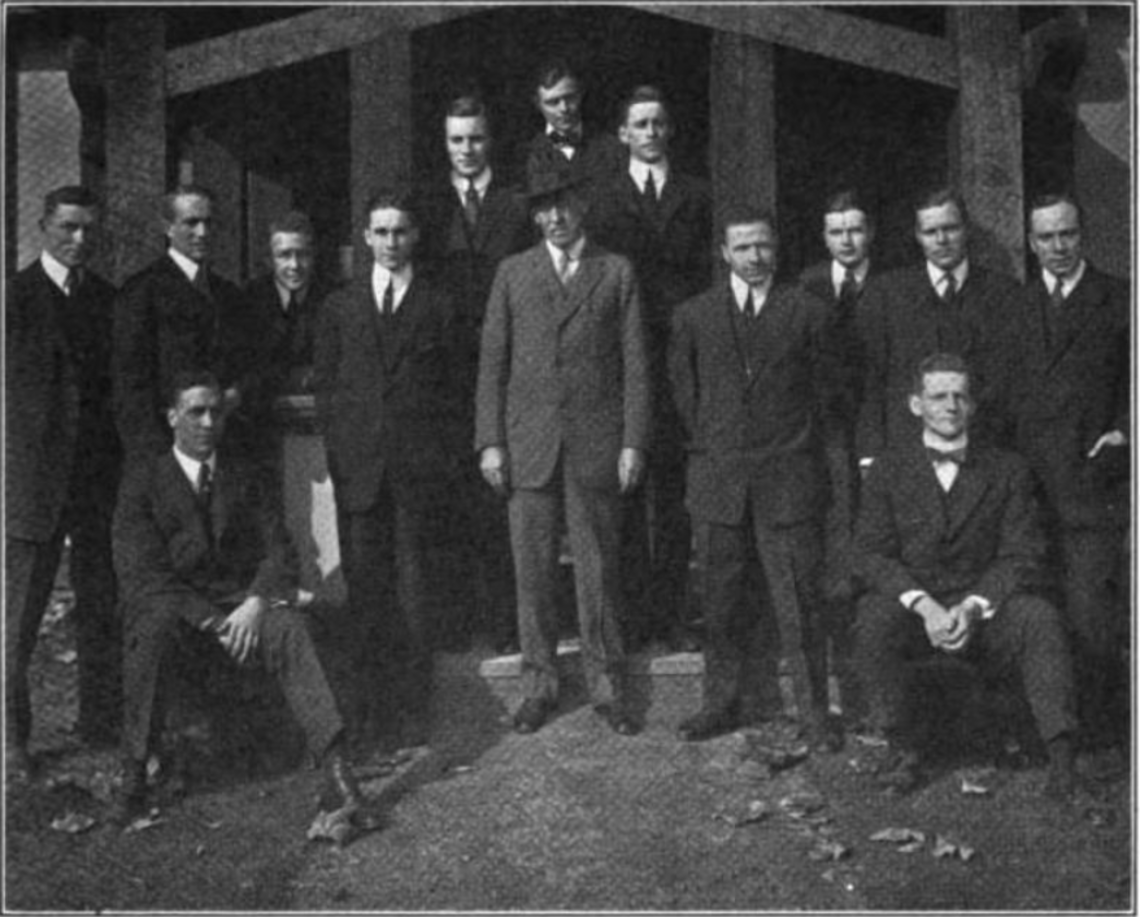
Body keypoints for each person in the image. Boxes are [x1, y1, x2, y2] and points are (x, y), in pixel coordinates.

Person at [112, 371, 378, 833]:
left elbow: (279, 551)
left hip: (243, 607)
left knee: (291, 631)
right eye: (196, 411)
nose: (208, 421)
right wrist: (215, 623)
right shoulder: (143, 482)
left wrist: (256, 602)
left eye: (216, 411)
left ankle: (337, 773)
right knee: (150, 629)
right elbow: (145, 576)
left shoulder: (244, 474)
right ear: (172, 416)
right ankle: (134, 774)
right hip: (179, 614)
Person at [854, 353, 1078, 797]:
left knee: (1039, 619)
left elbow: (1023, 553)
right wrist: (924, 606)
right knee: (873, 618)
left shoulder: (1008, 469)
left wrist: (973, 607)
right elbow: (870, 555)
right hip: (918, 614)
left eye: (960, 396)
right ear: (916, 404)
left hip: (985, 610)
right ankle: (903, 750)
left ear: (973, 406)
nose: (951, 406)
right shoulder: (887, 469)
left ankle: (1062, 758)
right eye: (939, 396)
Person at [475, 168, 650, 736]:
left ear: (583, 206)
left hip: (595, 443)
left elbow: (635, 366)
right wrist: (490, 442)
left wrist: (633, 441)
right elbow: (492, 365)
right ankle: (539, 684)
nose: (554, 217)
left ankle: (606, 684)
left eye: (563, 205)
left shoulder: (615, 271)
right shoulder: (513, 273)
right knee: (533, 574)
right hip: (528, 444)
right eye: (543, 208)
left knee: (599, 570)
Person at [668, 207, 835, 750]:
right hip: (719, 482)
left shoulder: (807, 313)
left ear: (777, 248)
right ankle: (719, 704)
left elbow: (826, 396)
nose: (754, 257)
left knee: (798, 604)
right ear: (724, 253)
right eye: (742, 248)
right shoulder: (694, 316)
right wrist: (720, 447)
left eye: (762, 246)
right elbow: (685, 397)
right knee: (719, 606)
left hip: (787, 481)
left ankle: (814, 716)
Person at [313, 188, 458, 750]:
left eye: (401, 231)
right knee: (366, 596)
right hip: (361, 476)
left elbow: (452, 392)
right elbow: (328, 390)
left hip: (418, 476)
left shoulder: (438, 305)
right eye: (382, 232)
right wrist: (345, 455)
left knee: (416, 594)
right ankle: (368, 720)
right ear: (366, 238)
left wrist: (438, 461)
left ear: (415, 236)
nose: (392, 242)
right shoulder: (340, 308)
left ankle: (414, 717)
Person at [587, 84, 712, 652]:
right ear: (623, 135)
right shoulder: (604, 199)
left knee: (676, 492)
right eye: (640, 124)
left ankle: (673, 615)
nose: (651, 133)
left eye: (659, 123)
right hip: (627, 355)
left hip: (682, 355)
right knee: (629, 488)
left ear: (670, 130)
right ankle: (634, 617)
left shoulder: (697, 193)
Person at [6, 186, 122, 777]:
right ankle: (12, 740)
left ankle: (101, 721)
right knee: (19, 614)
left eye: (88, 230)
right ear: (43, 225)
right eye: (68, 228)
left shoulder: (106, 298)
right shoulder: (14, 299)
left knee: (102, 601)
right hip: (33, 481)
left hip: (97, 479)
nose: (79, 240)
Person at [1006, 193, 1129, 749]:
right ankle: (1047, 736)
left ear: (1082, 236)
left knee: (1091, 615)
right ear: (1031, 245)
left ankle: (1103, 736)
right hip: (1032, 491)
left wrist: (1124, 433)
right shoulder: (1019, 305)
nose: (1057, 247)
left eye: (1067, 235)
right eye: (1046, 238)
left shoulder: (1120, 299)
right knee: (1038, 616)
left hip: (1091, 487)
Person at [418, 95, 533, 652]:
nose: (467, 150)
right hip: (443, 371)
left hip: (504, 365)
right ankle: (454, 624)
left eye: (476, 139)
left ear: (491, 141)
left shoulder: (516, 205)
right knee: (448, 498)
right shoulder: (428, 204)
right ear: (445, 144)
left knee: (499, 497)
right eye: (457, 140)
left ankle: (504, 626)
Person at [855, 187, 1020, 465]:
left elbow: (1013, 382)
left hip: (984, 451)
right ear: (918, 236)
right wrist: (870, 454)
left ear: (966, 229)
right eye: (931, 232)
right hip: (907, 454)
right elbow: (871, 380)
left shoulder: (1004, 293)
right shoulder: (886, 294)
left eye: (950, 229)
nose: (942, 240)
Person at [797, 189, 875, 725]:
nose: (847, 240)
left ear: (869, 233)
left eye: (855, 229)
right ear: (824, 237)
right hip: (819, 438)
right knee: (828, 551)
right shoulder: (805, 288)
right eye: (836, 231)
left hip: (873, 434)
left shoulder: (892, 285)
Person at [113, 184, 258, 463]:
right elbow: (130, 388)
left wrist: (236, 393)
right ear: (168, 227)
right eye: (191, 223)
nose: (202, 233)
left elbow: (248, 364)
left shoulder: (230, 295)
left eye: (208, 223)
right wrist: (158, 462)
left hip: (226, 450)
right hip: (166, 452)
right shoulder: (141, 292)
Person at [521, 59, 624, 192]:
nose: (564, 108)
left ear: (581, 94)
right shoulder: (524, 155)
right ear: (538, 104)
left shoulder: (613, 147)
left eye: (570, 98)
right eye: (553, 102)